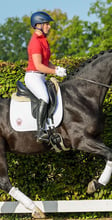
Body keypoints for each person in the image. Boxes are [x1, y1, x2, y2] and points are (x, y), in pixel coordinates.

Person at [25, 11, 67, 143]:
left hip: (41, 77)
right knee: (44, 97)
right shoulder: (35, 42)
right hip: (33, 77)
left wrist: (57, 68)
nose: (49, 27)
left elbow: (46, 62)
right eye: (46, 24)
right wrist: (54, 73)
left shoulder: (44, 40)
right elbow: (38, 66)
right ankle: (39, 132)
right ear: (38, 25)